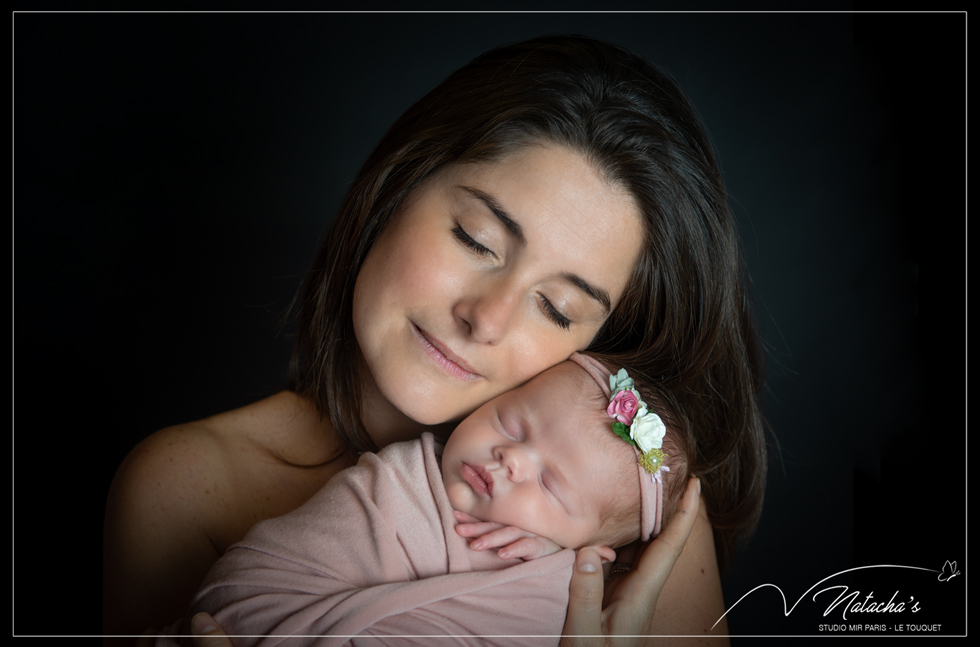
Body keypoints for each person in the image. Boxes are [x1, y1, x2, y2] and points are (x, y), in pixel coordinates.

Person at [104, 34, 767, 645]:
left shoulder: (630, 509)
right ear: (399, 183)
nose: (488, 316)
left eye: (557, 307)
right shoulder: (181, 487)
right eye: (476, 239)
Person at [160, 356, 690, 646]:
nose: (512, 459)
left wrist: (553, 573)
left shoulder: (564, 594)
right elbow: (244, 590)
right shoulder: (397, 482)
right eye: (510, 422)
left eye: (550, 485)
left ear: (593, 555)